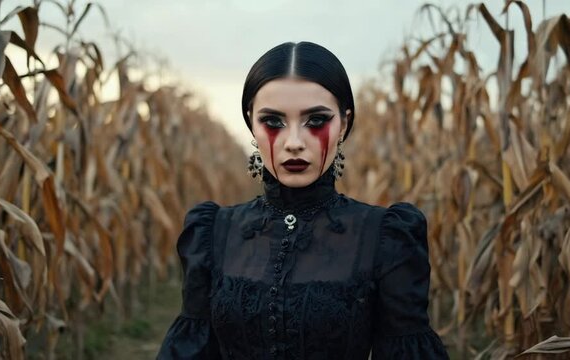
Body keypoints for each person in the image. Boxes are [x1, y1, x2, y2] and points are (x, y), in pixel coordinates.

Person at [156, 41, 449, 359]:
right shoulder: (211, 232)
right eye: (272, 122)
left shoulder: (387, 236)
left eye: (316, 121)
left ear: (344, 124)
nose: (294, 142)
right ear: (251, 123)